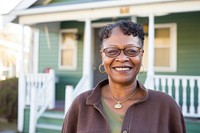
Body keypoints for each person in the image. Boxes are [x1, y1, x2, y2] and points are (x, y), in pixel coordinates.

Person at [62, 20, 186, 133]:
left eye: (131, 51)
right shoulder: (81, 105)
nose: (121, 58)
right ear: (103, 56)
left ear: (141, 55)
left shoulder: (166, 107)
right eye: (112, 51)